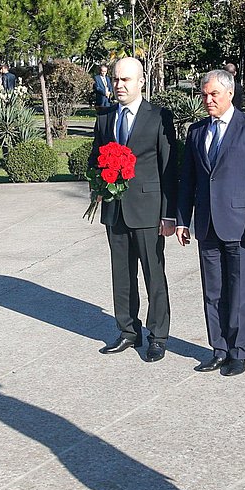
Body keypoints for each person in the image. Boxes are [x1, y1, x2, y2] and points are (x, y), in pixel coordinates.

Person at [176, 70, 245, 377]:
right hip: (206, 225)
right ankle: (218, 348)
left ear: (229, 94)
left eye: (213, 94)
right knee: (213, 291)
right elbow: (187, 180)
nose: (208, 100)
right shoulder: (196, 131)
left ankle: (238, 352)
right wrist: (182, 220)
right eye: (204, 94)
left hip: (241, 224)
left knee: (240, 291)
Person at [91, 58, 179, 361]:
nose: (119, 85)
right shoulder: (105, 119)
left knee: (154, 275)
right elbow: (95, 161)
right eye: (115, 79)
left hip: (148, 209)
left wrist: (169, 214)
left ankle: (158, 336)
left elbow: (169, 168)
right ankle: (128, 331)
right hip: (115, 211)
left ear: (141, 82)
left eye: (126, 80)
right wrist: (99, 188)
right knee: (122, 274)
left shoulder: (159, 117)